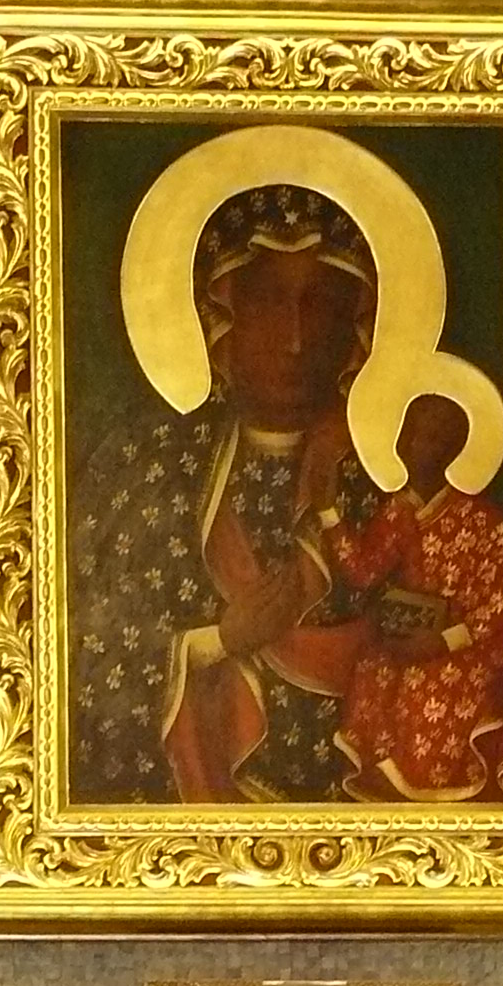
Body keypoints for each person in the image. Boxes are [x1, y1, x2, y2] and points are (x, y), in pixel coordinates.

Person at [71, 183, 387, 804]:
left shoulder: (380, 477)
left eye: (320, 305)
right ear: (221, 319)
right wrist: (220, 640)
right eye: (268, 303)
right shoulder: (149, 467)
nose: (294, 338)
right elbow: (82, 653)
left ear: (353, 327)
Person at [311, 392, 503, 801]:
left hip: (467, 647)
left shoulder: (484, 522)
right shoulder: (399, 511)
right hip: (412, 638)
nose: (409, 444)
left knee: (426, 685)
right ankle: (385, 786)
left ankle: (430, 791)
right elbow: (364, 571)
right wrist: (327, 511)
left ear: (450, 449)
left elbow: (499, 602)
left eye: (425, 436)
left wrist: (442, 641)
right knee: (373, 666)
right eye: (407, 431)